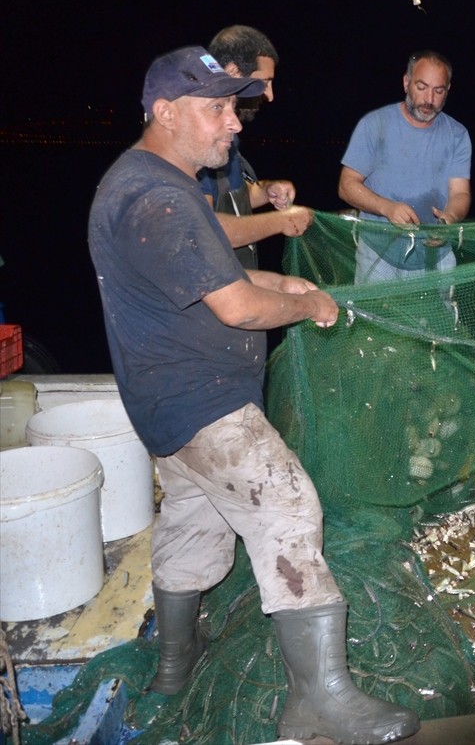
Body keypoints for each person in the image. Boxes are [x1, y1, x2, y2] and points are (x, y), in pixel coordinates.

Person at [87, 46, 419, 744]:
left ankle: (175, 664)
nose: (234, 123)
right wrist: (302, 306)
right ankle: (320, 698)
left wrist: (287, 284)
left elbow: (208, 278)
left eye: (233, 108)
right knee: (288, 505)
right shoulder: (157, 200)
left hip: (164, 407)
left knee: (193, 522)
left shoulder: (158, 182)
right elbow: (236, 306)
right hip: (201, 402)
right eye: (216, 110)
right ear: (165, 112)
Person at [338, 50, 471, 282]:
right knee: (374, 307)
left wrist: (449, 218)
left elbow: (460, 193)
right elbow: (346, 186)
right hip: (377, 253)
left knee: (437, 307)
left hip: (434, 256)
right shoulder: (374, 124)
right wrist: (386, 208)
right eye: (421, 87)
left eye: (438, 91)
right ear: (406, 83)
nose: (429, 99)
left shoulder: (457, 135)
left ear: (448, 90)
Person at [199, 25, 312, 270]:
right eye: (264, 82)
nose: (270, 95)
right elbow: (203, 229)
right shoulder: (198, 136)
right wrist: (280, 221)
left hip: (238, 278)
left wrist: (267, 191)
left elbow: (232, 197)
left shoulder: (228, 134)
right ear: (233, 72)